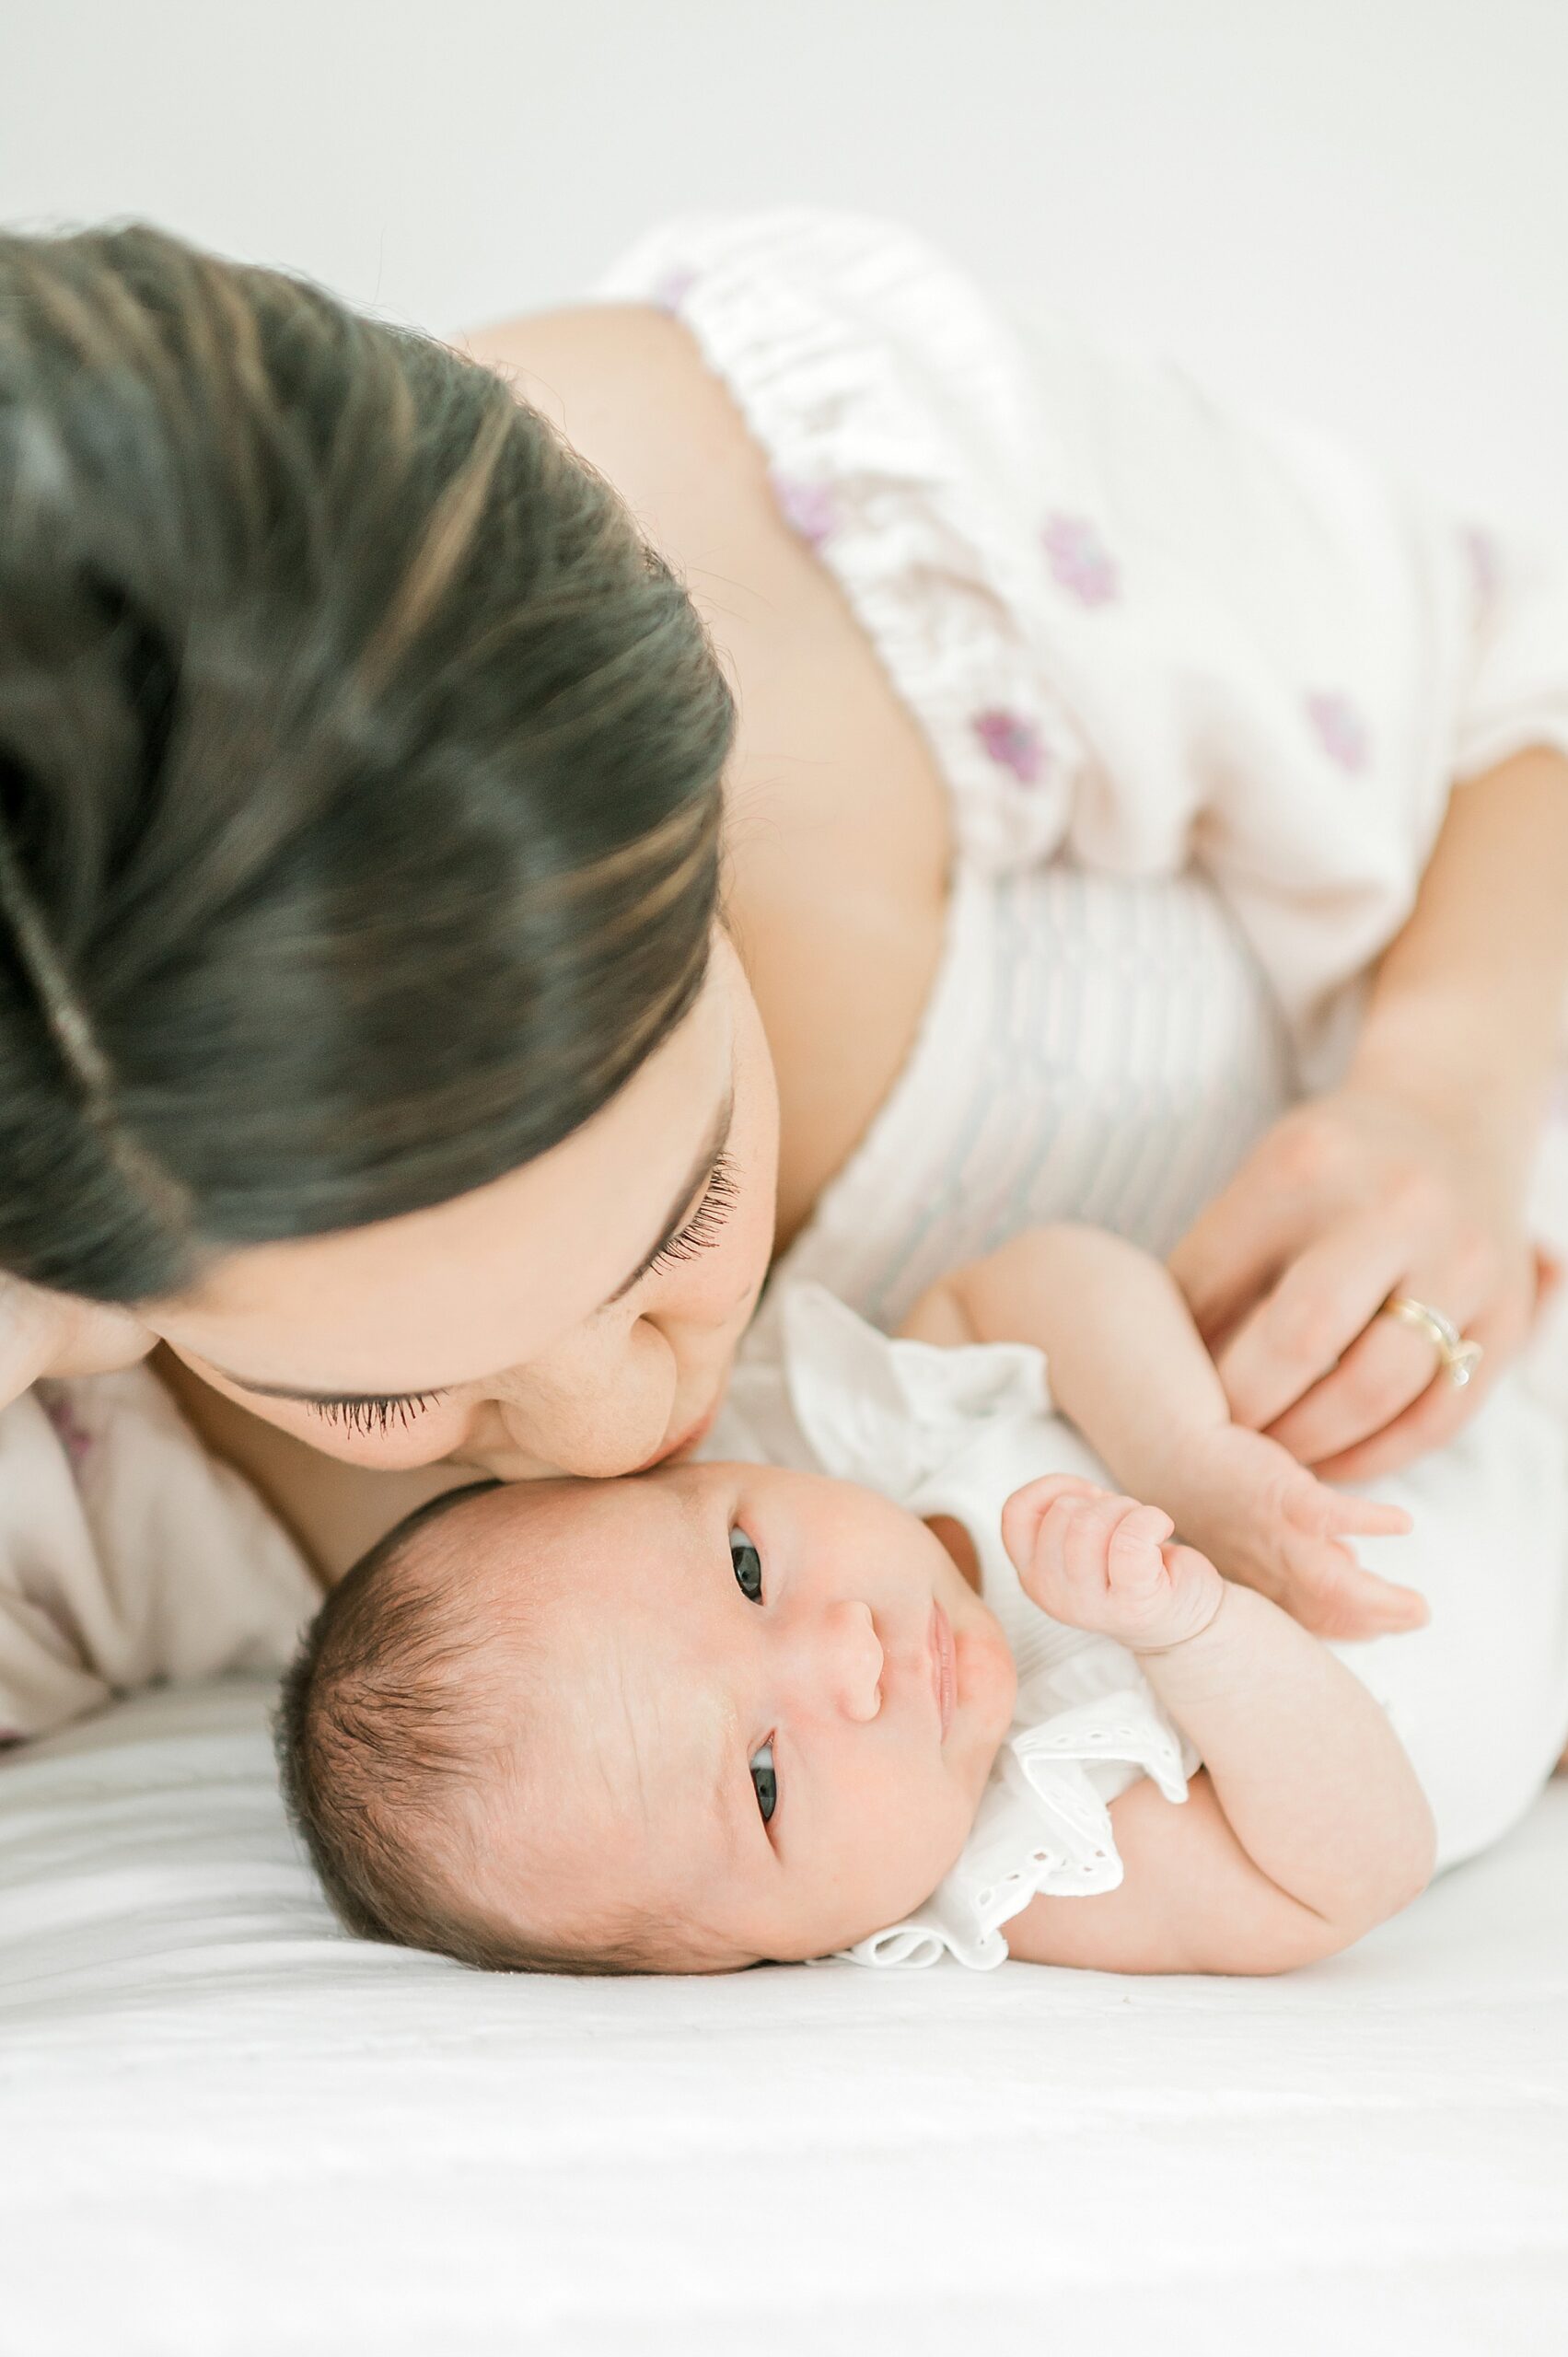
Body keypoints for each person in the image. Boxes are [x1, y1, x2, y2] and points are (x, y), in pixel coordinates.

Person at [1, 208, 1565, 1622]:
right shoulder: (77, 1415)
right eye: (377, 1405)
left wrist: (1446, 1096)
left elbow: (1519, 687)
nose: (621, 1429)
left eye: (688, 1213)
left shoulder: (871, 501)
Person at [275, 1245, 1564, 1977]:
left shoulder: (890, 1433)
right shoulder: (1039, 1857)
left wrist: (1176, 1455)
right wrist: (1195, 1630)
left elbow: (1038, 1277)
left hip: (1470, 1356)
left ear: (703, 1468)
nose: (846, 1652)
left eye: (743, 1570)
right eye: (766, 1781)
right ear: (753, 1954)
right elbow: (1362, 1865)